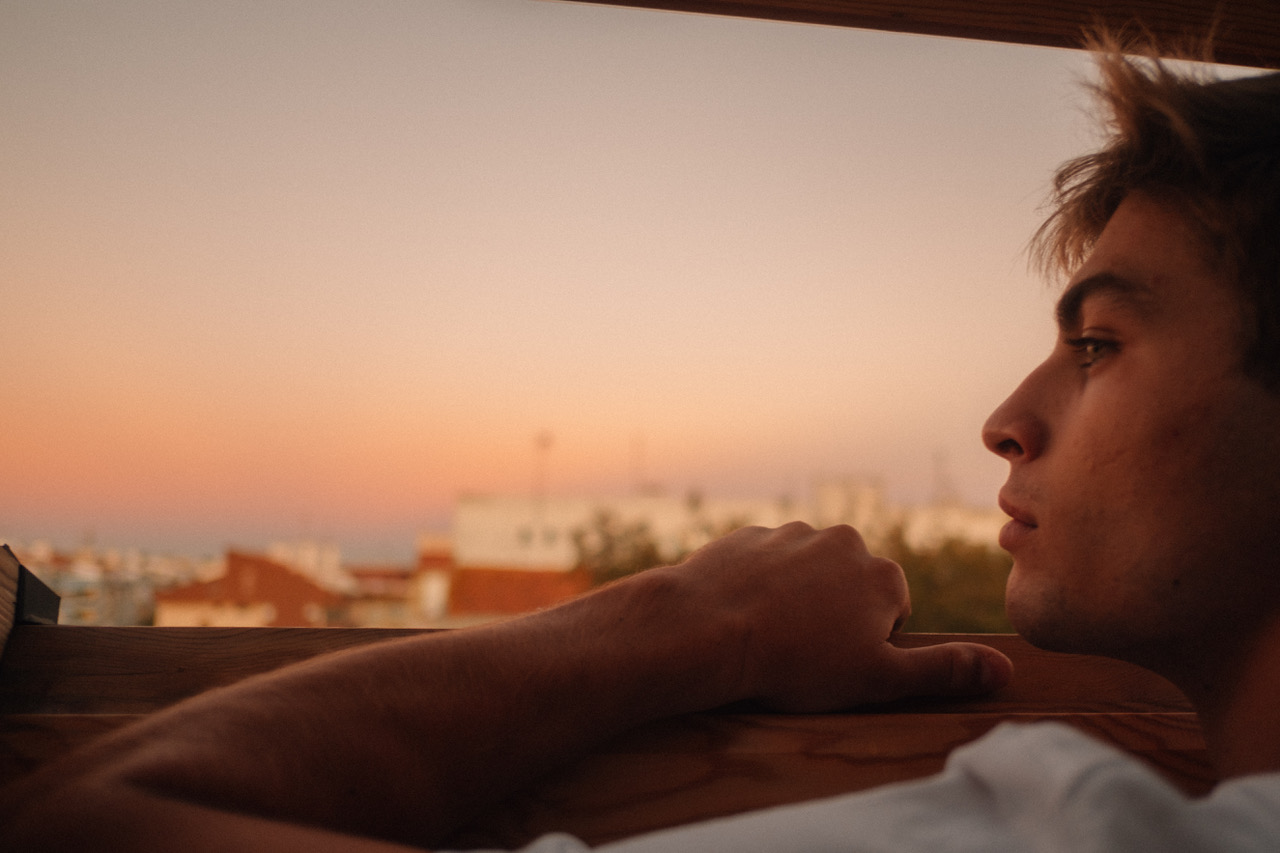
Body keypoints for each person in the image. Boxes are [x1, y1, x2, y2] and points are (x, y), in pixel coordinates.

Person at [4, 34, 1280, 852]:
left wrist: (692, 615)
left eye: (1098, 344)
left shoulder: (1045, 831)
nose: (1005, 421)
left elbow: (92, 825)